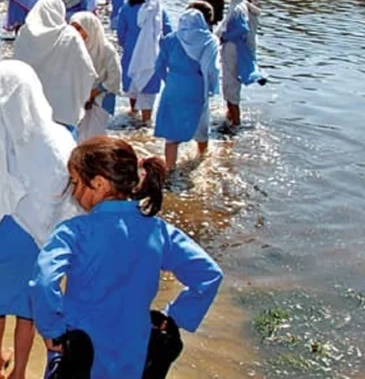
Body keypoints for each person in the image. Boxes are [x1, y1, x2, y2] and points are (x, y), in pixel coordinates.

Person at [32, 136, 223, 379]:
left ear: (99, 183)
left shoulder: (74, 232)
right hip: (134, 351)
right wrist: (174, 317)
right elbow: (208, 275)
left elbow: (44, 281)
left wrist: (52, 331)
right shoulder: (158, 230)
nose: (73, 192)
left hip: (80, 353)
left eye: (76, 182)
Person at [0, 60, 82, 379]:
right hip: (39, 237)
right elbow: (68, 190)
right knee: (29, 307)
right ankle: (19, 370)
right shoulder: (58, 137)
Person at [13, 0, 96, 139]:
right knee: (64, 153)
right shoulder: (70, 35)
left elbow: (16, 68)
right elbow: (86, 70)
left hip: (30, 105)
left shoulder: (24, 34)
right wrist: (82, 97)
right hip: (63, 106)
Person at [154, 9, 220, 173]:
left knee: (171, 133)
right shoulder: (209, 40)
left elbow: (159, 66)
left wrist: (169, 81)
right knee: (201, 125)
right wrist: (212, 88)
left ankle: (170, 169)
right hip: (196, 86)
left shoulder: (170, 39)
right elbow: (213, 69)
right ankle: (202, 160)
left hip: (173, 87)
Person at [117, 0, 172, 124]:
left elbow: (121, 32)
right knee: (148, 85)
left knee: (133, 80)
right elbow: (168, 32)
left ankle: (133, 112)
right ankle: (146, 121)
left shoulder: (126, 9)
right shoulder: (158, 10)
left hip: (131, 51)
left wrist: (125, 45)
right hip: (152, 53)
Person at [216, 0, 266, 127]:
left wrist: (224, 38)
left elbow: (242, 28)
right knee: (231, 84)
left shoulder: (238, 7)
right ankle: (230, 116)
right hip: (238, 50)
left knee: (231, 85)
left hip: (234, 50)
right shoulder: (241, 4)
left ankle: (235, 124)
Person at [71, 12, 122, 141]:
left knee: (95, 137)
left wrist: (95, 92)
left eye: (79, 28)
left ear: (90, 28)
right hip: (80, 98)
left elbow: (115, 77)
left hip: (102, 98)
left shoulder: (106, 49)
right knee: (78, 137)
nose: (76, 33)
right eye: (73, 28)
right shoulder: (74, 48)